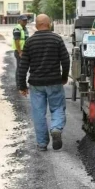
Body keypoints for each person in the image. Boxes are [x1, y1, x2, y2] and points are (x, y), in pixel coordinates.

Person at [17, 14, 70, 151]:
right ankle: (56, 128)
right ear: (49, 24)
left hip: (36, 84)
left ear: (36, 26)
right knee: (57, 108)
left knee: (38, 113)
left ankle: (42, 144)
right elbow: (65, 60)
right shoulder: (57, 39)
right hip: (54, 82)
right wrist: (64, 77)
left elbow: (23, 66)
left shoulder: (30, 42)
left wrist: (21, 85)